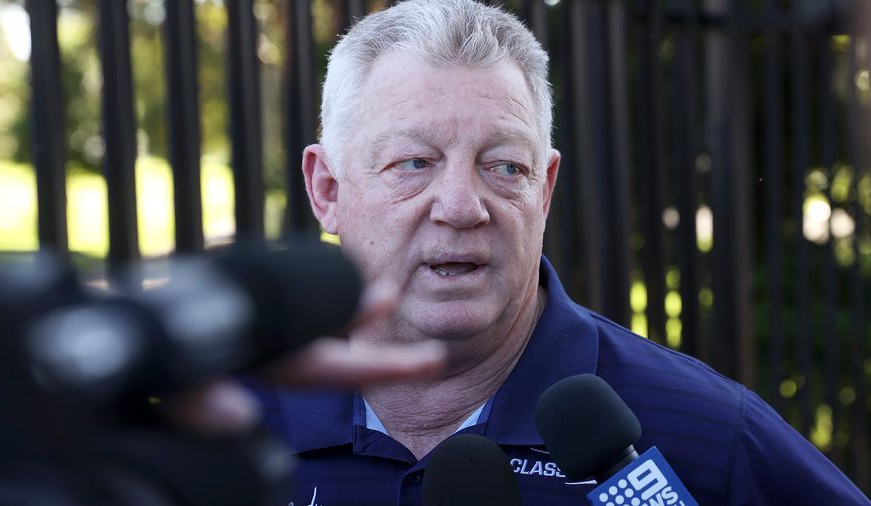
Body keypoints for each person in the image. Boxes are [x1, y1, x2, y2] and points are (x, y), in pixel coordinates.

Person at [251, 0, 871, 504]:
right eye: (414, 163)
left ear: (544, 189)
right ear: (327, 189)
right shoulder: (223, 432)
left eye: (504, 166)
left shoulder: (710, 439)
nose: (464, 206)